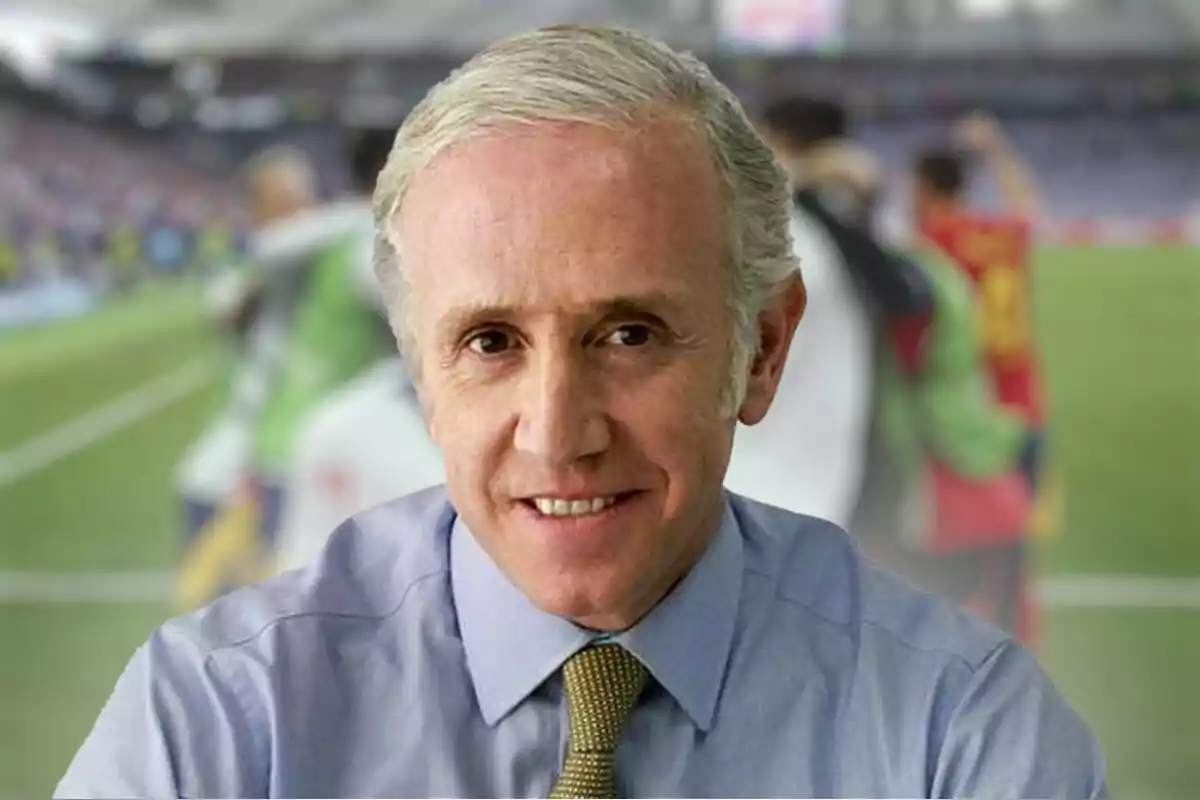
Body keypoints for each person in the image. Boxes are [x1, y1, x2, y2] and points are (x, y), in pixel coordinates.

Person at [58, 26, 1106, 799]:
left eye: (631, 333)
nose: (558, 432)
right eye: (488, 342)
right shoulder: (216, 724)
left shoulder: (960, 732)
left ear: (763, 349)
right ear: (418, 366)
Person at [909, 112, 1053, 645]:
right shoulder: (998, 235)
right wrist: (995, 149)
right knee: (1017, 554)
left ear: (922, 188)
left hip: (969, 414)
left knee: (956, 556)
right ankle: (1023, 651)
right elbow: (1031, 211)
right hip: (1027, 405)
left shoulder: (928, 242)